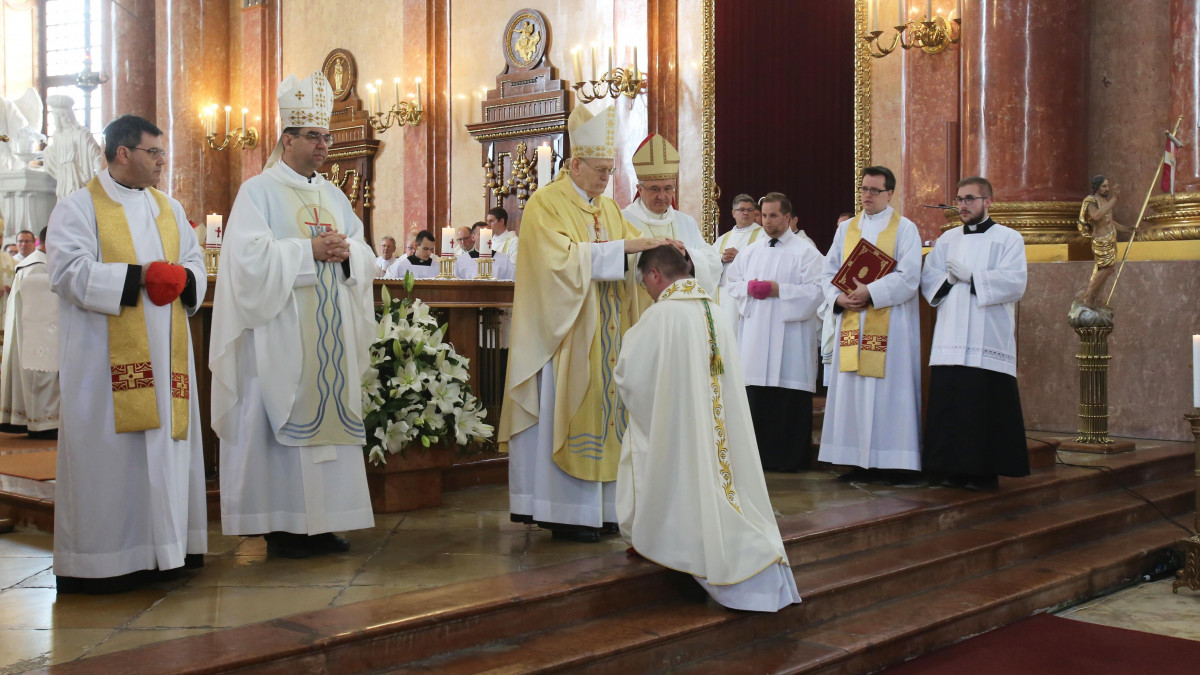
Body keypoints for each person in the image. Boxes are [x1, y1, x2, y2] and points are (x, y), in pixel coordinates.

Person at [211, 70, 376, 559]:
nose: (324, 143)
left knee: (330, 416)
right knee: (277, 418)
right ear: (287, 139)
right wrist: (308, 251)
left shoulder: (334, 194)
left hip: (330, 332)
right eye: (314, 135)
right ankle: (282, 523)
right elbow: (248, 263)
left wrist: (346, 254)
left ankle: (325, 522)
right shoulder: (257, 192)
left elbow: (362, 251)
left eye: (326, 135)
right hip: (280, 333)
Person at [47, 114, 207, 592]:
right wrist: (137, 279)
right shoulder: (78, 208)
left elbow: (194, 260)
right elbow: (68, 272)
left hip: (168, 359)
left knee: (165, 449)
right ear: (123, 153)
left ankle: (169, 550)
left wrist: (185, 279)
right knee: (112, 459)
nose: (162, 161)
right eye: (153, 152)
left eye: (162, 152)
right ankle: (106, 560)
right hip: (104, 364)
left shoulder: (169, 208)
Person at [498, 103, 665, 543]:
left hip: (608, 332)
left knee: (611, 414)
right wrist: (624, 250)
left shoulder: (608, 210)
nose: (606, 179)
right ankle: (565, 510)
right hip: (566, 334)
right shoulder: (544, 205)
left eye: (610, 171)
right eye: (599, 170)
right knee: (566, 410)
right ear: (574, 164)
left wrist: (645, 258)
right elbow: (555, 264)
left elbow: (620, 262)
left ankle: (605, 510)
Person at [615, 244, 801, 612]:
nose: (648, 292)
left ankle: (694, 554)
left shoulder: (660, 317)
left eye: (646, 283)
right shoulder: (716, 311)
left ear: (655, 275)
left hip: (681, 432)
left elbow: (629, 377)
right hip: (720, 432)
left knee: (686, 489)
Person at [921, 177, 1029, 491]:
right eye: (959, 199)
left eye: (970, 199)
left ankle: (983, 472)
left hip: (987, 334)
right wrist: (948, 280)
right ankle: (947, 468)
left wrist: (973, 278)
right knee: (950, 403)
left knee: (982, 404)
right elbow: (929, 279)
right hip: (950, 335)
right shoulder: (947, 239)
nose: (963, 205)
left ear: (988, 202)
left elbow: (1015, 282)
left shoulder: (1008, 238)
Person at [817, 166, 923, 485]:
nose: (867, 195)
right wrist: (838, 298)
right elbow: (827, 272)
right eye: (864, 189)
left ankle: (893, 462)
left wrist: (870, 291)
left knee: (890, 391)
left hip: (889, 325)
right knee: (853, 389)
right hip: (853, 321)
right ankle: (853, 460)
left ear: (890, 193)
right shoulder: (846, 228)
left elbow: (910, 275)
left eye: (875, 190)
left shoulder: (905, 228)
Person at [725, 192, 825, 471]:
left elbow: (818, 291)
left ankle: (790, 460)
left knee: (788, 399)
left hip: (790, 337)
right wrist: (748, 289)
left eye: (774, 215)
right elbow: (732, 284)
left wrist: (779, 290)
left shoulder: (805, 252)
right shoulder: (750, 251)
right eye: (764, 216)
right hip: (756, 334)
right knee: (758, 397)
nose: (768, 221)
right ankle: (757, 462)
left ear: (788, 217)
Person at [621, 133, 721, 296]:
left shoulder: (686, 222)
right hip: (638, 310)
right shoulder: (623, 220)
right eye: (654, 189)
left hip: (680, 309)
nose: (662, 196)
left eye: (668, 188)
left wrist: (686, 254)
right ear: (640, 189)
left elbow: (713, 262)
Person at [0, 225, 59, 439]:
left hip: (33, 330)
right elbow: (44, 316)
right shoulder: (38, 267)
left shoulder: (35, 264)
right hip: (40, 333)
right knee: (42, 372)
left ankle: (39, 419)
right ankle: (44, 422)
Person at [711, 194, 763, 327]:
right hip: (723, 293)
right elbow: (708, 262)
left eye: (750, 210)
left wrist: (740, 258)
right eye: (741, 210)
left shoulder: (762, 235)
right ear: (733, 213)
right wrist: (721, 259)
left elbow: (765, 263)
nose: (745, 213)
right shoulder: (723, 239)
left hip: (746, 295)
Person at [1077, 175, 1129, 308]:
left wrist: (1129, 229)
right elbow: (1096, 216)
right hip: (1101, 239)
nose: (1107, 188)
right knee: (1106, 269)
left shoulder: (1105, 202)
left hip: (1110, 238)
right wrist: (1115, 200)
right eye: (1104, 186)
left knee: (1107, 269)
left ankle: (1098, 298)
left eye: (1108, 185)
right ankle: (1088, 296)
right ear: (1097, 187)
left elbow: (1110, 222)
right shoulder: (1091, 201)